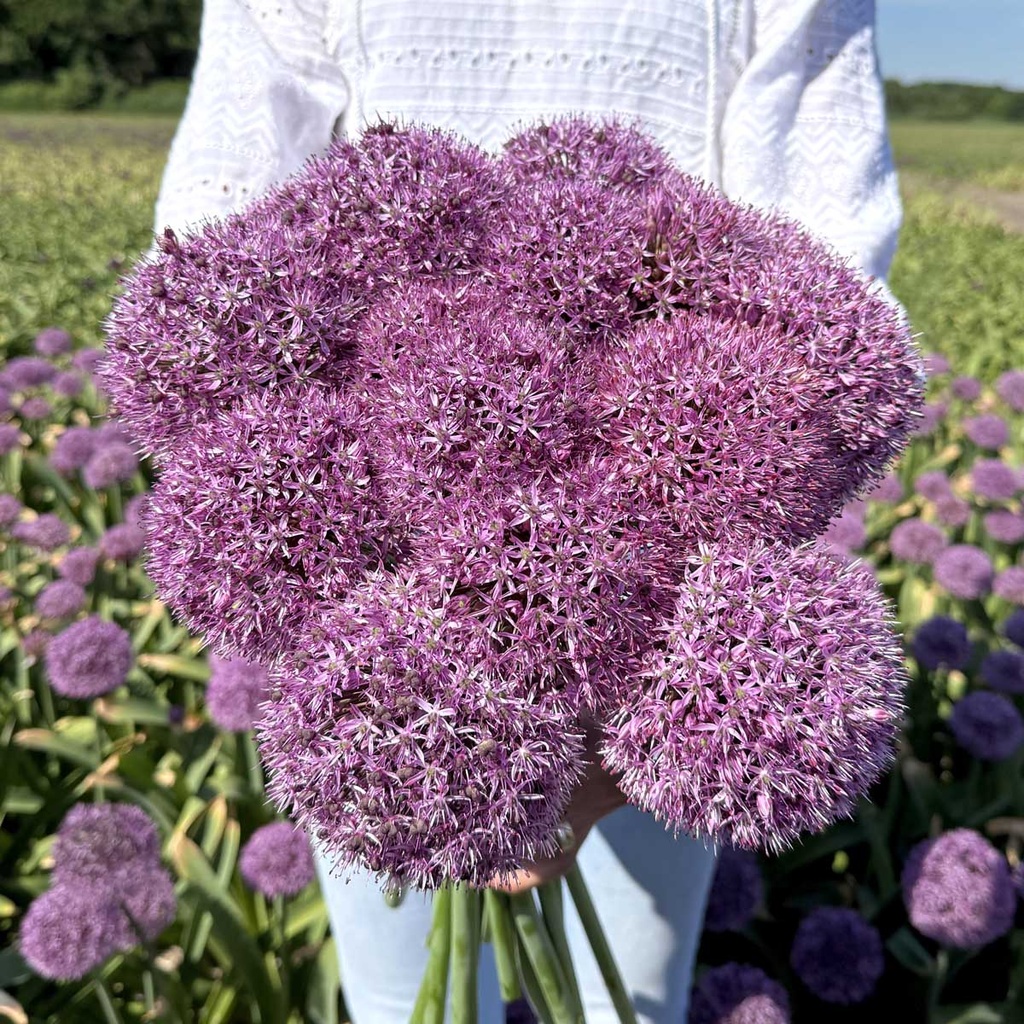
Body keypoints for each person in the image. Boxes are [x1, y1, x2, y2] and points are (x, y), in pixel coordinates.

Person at [154, 1, 902, 1021]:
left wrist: (599, 750)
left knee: (619, 992)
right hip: (378, 627)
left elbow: (828, 276)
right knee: (406, 992)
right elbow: (219, 233)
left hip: (664, 616)